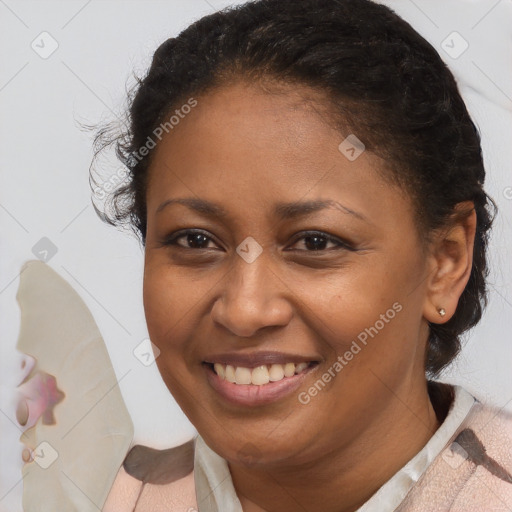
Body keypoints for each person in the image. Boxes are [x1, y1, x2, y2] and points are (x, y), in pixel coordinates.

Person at [88, 0, 512, 510]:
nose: (244, 311)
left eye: (316, 242)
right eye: (195, 240)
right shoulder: (103, 498)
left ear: (444, 263)